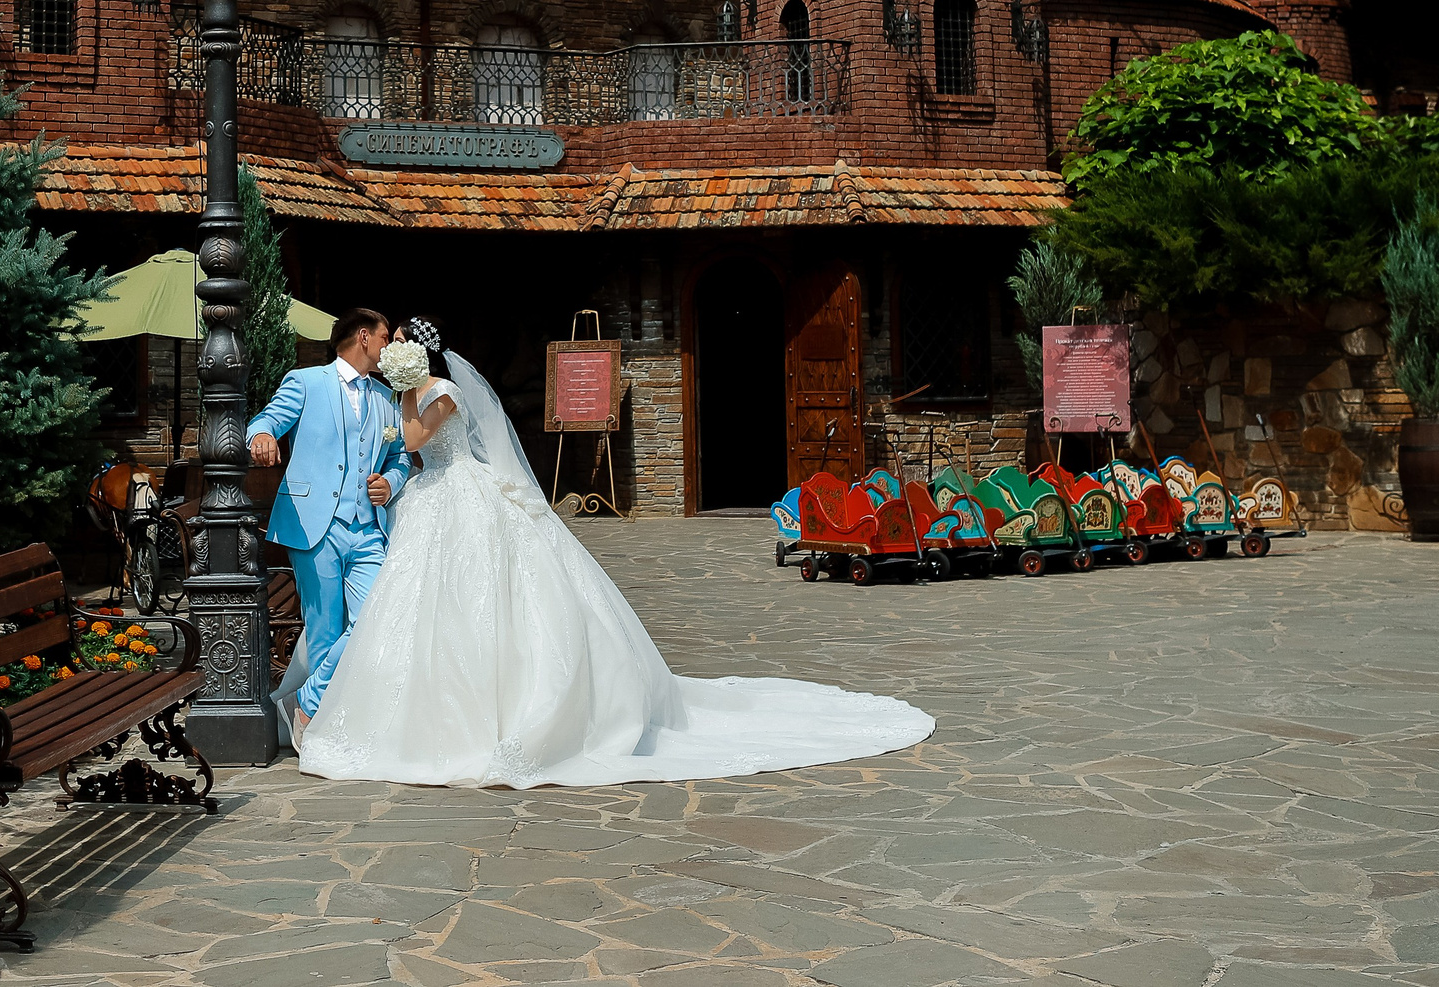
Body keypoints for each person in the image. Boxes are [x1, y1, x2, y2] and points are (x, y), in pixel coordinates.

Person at [287, 316, 933, 787]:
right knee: (421, 608)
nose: (392, 355)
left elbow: (415, 436)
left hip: (461, 496)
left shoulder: (442, 393)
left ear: (419, 358)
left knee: (477, 597)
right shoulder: (417, 389)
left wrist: (402, 392)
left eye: (400, 351)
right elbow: (414, 451)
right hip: (432, 498)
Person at [246, 307, 410, 742]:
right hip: (313, 523)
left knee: (376, 617)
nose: (389, 347)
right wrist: (261, 437)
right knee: (324, 630)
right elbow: (265, 421)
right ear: (363, 337)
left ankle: (305, 704)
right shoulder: (306, 381)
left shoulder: (385, 398)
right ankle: (321, 729)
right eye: (385, 338)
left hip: (367, 528)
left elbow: (401, 459)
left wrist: (389, 483)